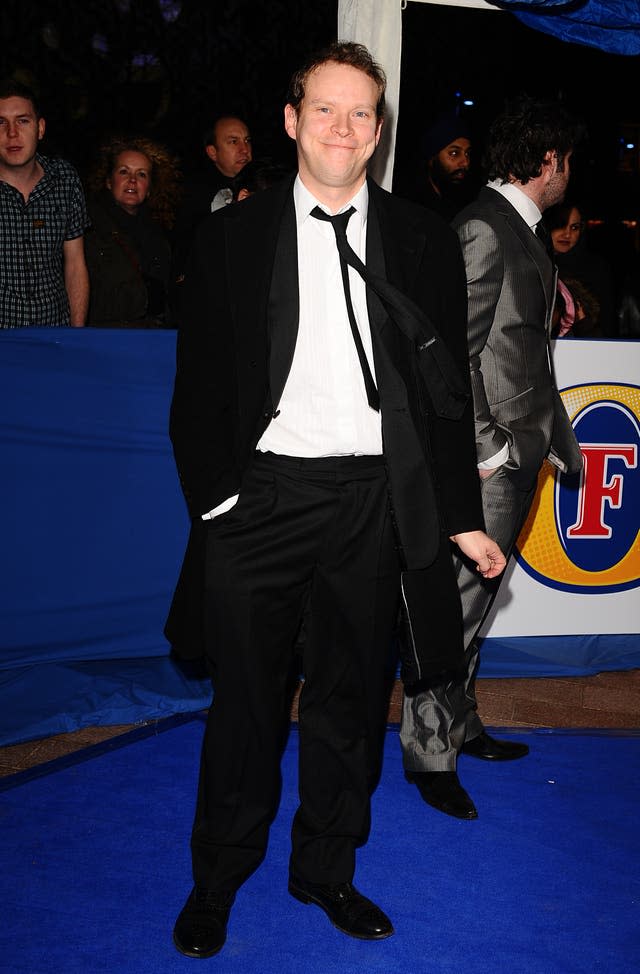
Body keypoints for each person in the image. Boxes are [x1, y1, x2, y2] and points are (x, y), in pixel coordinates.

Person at [168, 40, 505, 960]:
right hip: (262, 501)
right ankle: (217, 879)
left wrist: (459, 517)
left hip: (371, 501)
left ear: (380, 132)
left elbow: (445, 396)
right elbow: (195, 392)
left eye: (362, 113)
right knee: (244, 706)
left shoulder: (422, 239)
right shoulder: (231, 236)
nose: (343, 128)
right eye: (325, 109)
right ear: (291, 120)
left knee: (351, 705)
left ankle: (326, 870)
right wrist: (218, 505)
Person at [401, 95, 585, 821]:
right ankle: (428, 755)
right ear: (549, 161)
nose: (572, 174)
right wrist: (488, 449)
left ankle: (461, 726)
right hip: (492, 462)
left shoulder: (517, 227)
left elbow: (520, 348)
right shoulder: (483, 226)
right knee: (452, 609)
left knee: (474, 612)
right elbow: (450, 354)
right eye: (568, 161)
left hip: (519, 454)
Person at [0, 79, 89, 328]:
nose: (12, 133)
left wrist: (76, 335)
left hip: (54, 332)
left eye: (22, 120)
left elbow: (75, 263)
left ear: (40, 128)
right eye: (1, 122)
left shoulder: (65, 178)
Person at [84, 137, 179, 327]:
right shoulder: (88, 227)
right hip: (106, 335)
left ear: (150, 188)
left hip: (151, 337)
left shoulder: (160, 234)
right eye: (124, 172)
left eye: (142, 174)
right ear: (109, 181)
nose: (133, 180)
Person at [172, 114, 252, 280]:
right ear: (213, 152)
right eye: (233, 141)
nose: (244, 149)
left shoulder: (266, 184)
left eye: (247, 140)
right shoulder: (193, 195)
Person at [544, 200, 614, 335]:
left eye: (574, 227)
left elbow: (607, 323)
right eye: (561, 225)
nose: (567, 234)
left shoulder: (596, 268)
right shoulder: (533, 263)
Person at [398, 112, 474, 221]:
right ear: (431, 158)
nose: (465, 162)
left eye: (467, 153)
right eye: (454, 153)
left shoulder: (465, 203)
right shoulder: (412, 206)